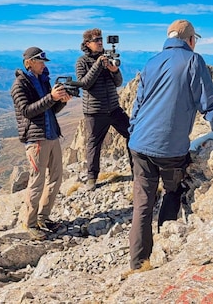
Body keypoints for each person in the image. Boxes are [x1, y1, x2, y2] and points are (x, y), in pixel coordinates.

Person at [127, 19, 213, 270]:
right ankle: (164, 247)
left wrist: (133, 132)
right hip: (170, 149)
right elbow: (209, 104)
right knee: (172, 191)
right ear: (191, 40)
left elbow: (137, 105)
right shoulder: (194, 61)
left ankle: (138, 262)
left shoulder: (150, 62)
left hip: (139, 144)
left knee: (142, 203)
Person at [10, 47, 72, 240]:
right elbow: (27, 111)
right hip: (36, 139)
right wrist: (51, 97)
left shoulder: (43, 80)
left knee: (56, 177)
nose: (44, 64)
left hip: (51, 135)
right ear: (30, 63)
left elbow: (50, 110)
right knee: (37, 181)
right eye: (40, 61)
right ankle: (29, 223)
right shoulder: (20, 85)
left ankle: (43, 218)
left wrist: (61, 100)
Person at [75, 28, 132, 191]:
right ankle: (92, 178)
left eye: (101, 39)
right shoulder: (82, 61)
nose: (100, 42)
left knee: (132, 134)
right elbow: (85, 84)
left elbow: (118, 83)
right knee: (94, 144)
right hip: (95, 111)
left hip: (113, 108)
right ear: (87, 44)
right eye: (96, 40)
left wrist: (114, 70)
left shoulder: (107, 58)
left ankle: (137, 169)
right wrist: (99, 64)